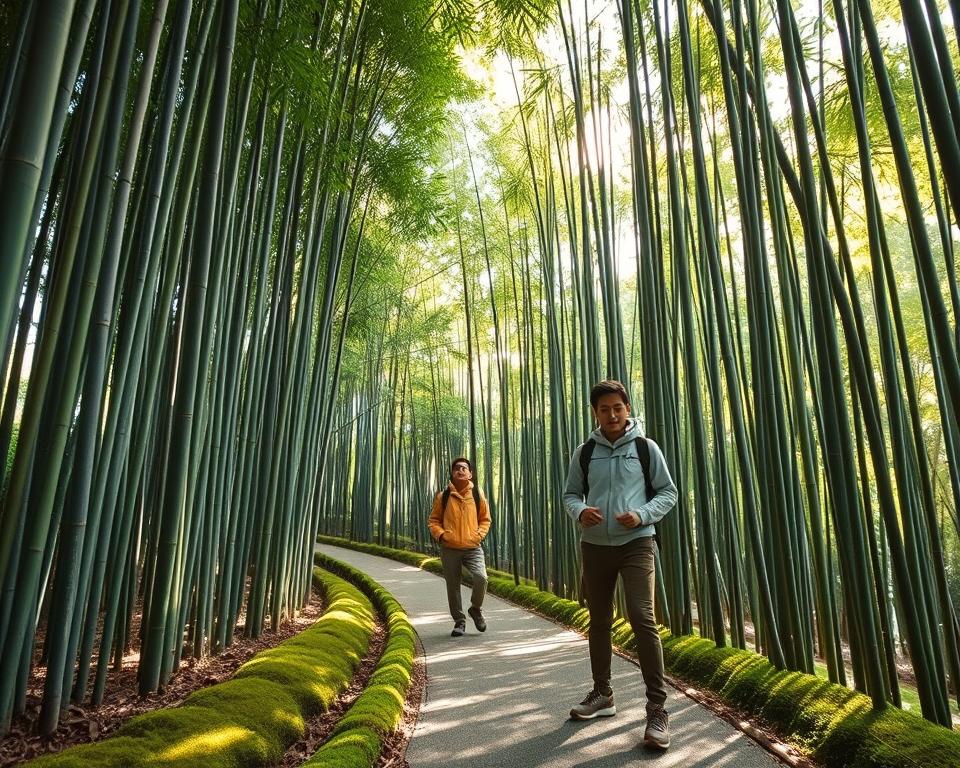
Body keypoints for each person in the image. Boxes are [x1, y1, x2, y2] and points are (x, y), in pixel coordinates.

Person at [563, 379, 678, 750]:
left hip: (637, 544)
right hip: (595, 546)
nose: (611, 414)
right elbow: (569, 494)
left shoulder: (646, 448)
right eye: (603, 409)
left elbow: (668, 492)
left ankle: (657, 710)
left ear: (627, 409)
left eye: (617, 407)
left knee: (643, 619)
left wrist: (643, 514)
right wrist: (581, 511)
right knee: (598, 620)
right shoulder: (585, 452)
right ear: (595, 413)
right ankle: (603, 694)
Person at [429, 457, 491, 637]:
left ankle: (476, 609)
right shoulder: (444, 496)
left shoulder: (478, 495)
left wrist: (478, 535)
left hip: (473, 547)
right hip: (450, 547)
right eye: (457, 468)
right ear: (452, 473)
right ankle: (459, 621)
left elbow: (485, 520)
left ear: (470, 473)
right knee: (453, 586)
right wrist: (441, 535)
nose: (460, 470)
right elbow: (433, 521)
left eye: (464, 468)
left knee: (481, 578)